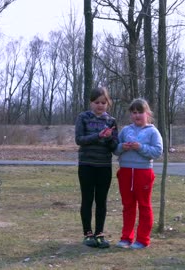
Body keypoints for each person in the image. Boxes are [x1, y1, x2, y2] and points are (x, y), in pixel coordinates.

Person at [114, 98, 163, 249]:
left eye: (140, 112)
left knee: (144, 205)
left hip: (144, 173)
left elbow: (157, 152)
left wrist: (140, 147)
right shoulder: (125, 130)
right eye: (133, 113)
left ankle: (142, 240)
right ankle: (126, 238)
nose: (136, 116)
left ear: (147, 113)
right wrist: (123, 147)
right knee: (128, 206)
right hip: (125, 172)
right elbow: (115, 149)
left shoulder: (153, 131)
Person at [75, 87, 118, 248]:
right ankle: (88, 234)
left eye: (103, 102)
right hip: (86, 165)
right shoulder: (83, 117)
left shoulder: (111, 121)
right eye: (96, 102)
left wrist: (108, 139)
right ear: (91, 103)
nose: (100, 105)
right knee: (87, 199)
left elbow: (115, 146)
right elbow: (79, 139)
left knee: (101, 200)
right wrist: (98, 136)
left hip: (104, 166)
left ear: (108, 103)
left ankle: (99, 233)